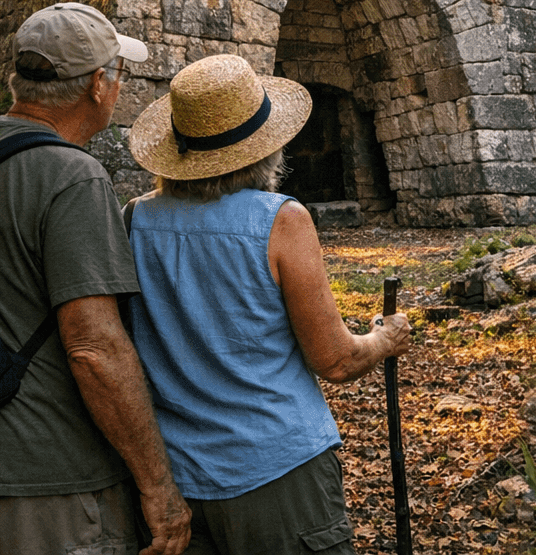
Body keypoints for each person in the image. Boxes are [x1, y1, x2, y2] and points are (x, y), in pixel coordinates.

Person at [0, 2, 192, 555]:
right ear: (98, 84)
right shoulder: (72, 176)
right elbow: (93, 348)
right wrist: (157, 486)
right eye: (119, 74)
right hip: (39, 488)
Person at [124, 53, 412, 555]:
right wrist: (384, 339)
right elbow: (337, 361)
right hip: (277, 469)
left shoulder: (134, 219)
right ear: (266, 147)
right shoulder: (281, 220)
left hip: (178, 473)